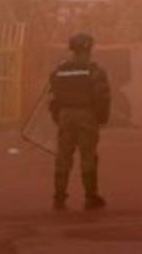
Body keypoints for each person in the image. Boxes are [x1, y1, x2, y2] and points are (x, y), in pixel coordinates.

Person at [50, 32, 111, 210]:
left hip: (65, 115)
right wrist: (101, 117)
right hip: (86, 115)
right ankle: (90, 197)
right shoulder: (94, 69)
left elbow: (52, 96)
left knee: (63, 156)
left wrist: (58, 116)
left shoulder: (59, 69)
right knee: (88, 156)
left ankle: (59, 197)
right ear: (89, 48)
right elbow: (102, 96)